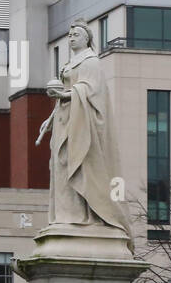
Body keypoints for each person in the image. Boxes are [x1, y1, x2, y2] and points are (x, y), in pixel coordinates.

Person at [36, 21, 131, 236]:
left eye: (76, 34)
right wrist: (50, 119)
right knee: (60, 165)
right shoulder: (71, 64)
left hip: (82, 126)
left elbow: (90, 92)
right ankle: (66, 215)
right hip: (65, 121)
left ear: (86, 38)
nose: (71, 37)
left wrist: (63, 95)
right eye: (69, 34)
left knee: (79, 167)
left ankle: (83, 215)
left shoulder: (91, 62)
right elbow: (68, 94)